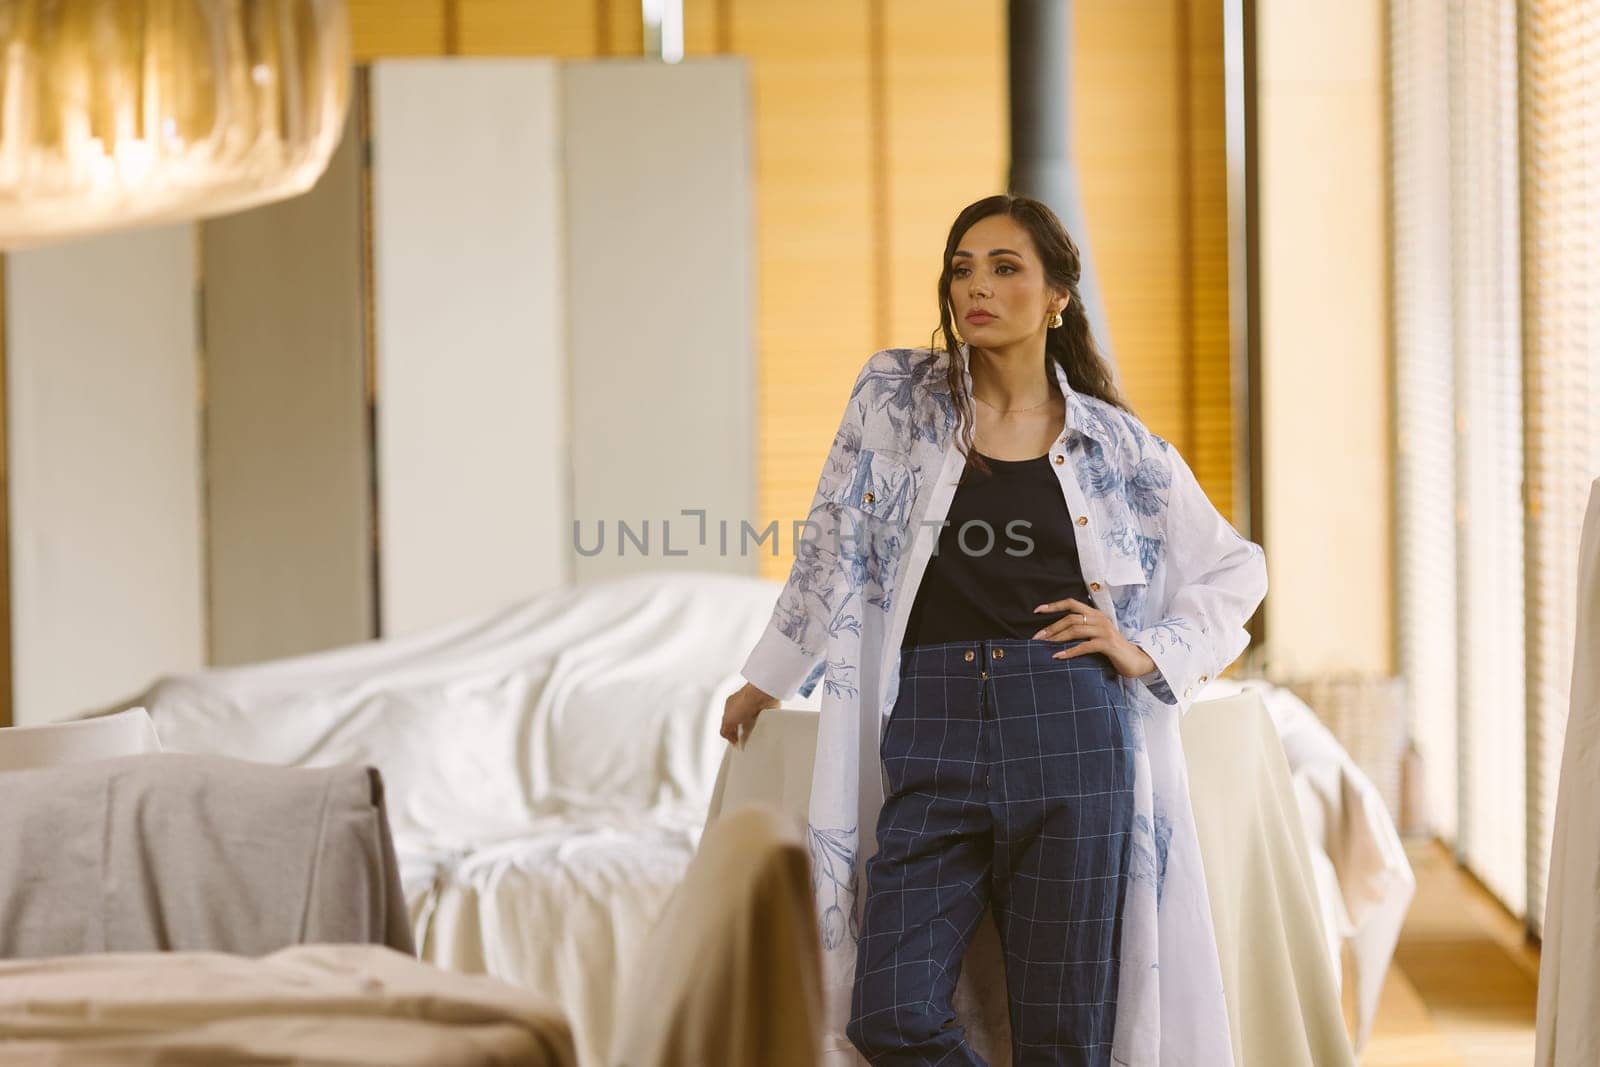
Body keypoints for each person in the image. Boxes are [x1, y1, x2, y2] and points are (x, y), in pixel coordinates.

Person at [721, 193, 1267, 1066]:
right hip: (932, 722)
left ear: (1057, 295)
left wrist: (1146, 648)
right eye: (962, 268)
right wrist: (768, 676)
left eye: (1005, 267)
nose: (976, 286)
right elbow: (829, 536)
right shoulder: (896, 398)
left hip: (1071, 728)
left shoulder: (1116, 447)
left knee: (1065, 1034)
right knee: (889, 1010)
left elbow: (1238, 568)